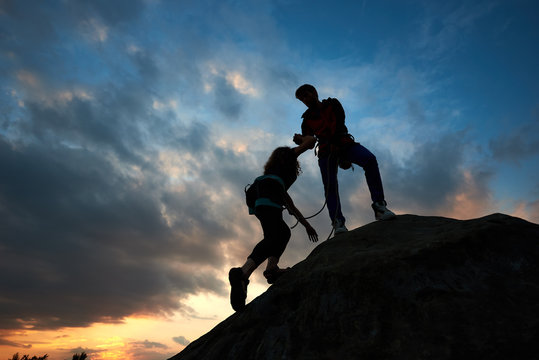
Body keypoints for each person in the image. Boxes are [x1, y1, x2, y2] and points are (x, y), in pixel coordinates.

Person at [293, 84, 395, 234]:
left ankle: (379, 206)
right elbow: (309, 142)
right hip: (326, 152)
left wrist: (334, 143)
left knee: (369, 159)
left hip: (343, 143)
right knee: (330, 185)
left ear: (314, 92)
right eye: (302, 99)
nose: (305, 100)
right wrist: (300, 140)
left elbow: (339, 122)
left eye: (306, 95)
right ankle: (338, 222)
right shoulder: (306, 120)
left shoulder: (332, 104)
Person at [229, 145, 318, 312]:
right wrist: (308, 226)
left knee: (282, 233)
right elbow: (292, 207)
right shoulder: (279, 179)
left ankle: (271, 269)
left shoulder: (265, 178)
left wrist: (307, 226)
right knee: (274, 237)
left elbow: (289, 206)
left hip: (259, 206)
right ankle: (242, 273)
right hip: (270, 205)